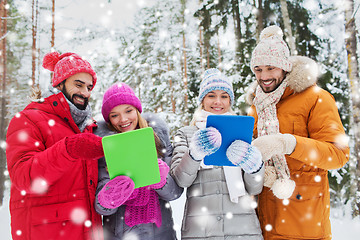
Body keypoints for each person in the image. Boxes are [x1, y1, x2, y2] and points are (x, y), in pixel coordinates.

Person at [246, 25, 350, 240]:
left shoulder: (315, 98)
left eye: (271, 68)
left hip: (304, 224)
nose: (264, 76)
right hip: (263, 223)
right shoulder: (258, 106)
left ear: (284, 67)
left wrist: (289, 143)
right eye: (258, 69)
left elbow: (338, 155)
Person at [5, 52, 105, 240]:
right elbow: (23, 177)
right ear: (59, 83)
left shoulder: (88, 127)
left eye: (89, 87)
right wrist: (68, 149)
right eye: (78, 84)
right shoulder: (28, 119)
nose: (85, 92)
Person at [170, 68, 265, 240]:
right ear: (202, 100)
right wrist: (195, 154)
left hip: (242, 230)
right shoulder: (186, 134)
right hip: (201, 230)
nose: (218, 102)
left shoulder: (243, 133)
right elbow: (181, 180)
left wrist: (255, 167)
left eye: (224, 96)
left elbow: (254, 188)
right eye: (211, 95)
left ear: (230, 100)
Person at [94, 82, 183, 240]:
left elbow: (175, 193)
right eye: (115, 115)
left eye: (128, 111)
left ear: (137, 110)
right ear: (108, 120)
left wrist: (162, 179)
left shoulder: (159, 141)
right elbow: (102, 208)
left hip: (162, 234)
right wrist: (109, 196)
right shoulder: (104, 149)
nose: (123, 119)